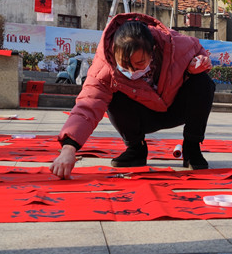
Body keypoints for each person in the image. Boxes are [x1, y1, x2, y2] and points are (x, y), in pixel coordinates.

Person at [50, 13, 215, 179]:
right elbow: (88, 104)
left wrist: (199, 63)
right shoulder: (105, 66)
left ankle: (192, 147)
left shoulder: (176, 45)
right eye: (124, 65)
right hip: (140, 115)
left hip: (174, 107)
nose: (131, 72)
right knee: (112, 95)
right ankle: (136, 148)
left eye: (139, 64)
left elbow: (199, 52)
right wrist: (69, 148)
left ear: (153, 50)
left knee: (203, 82)